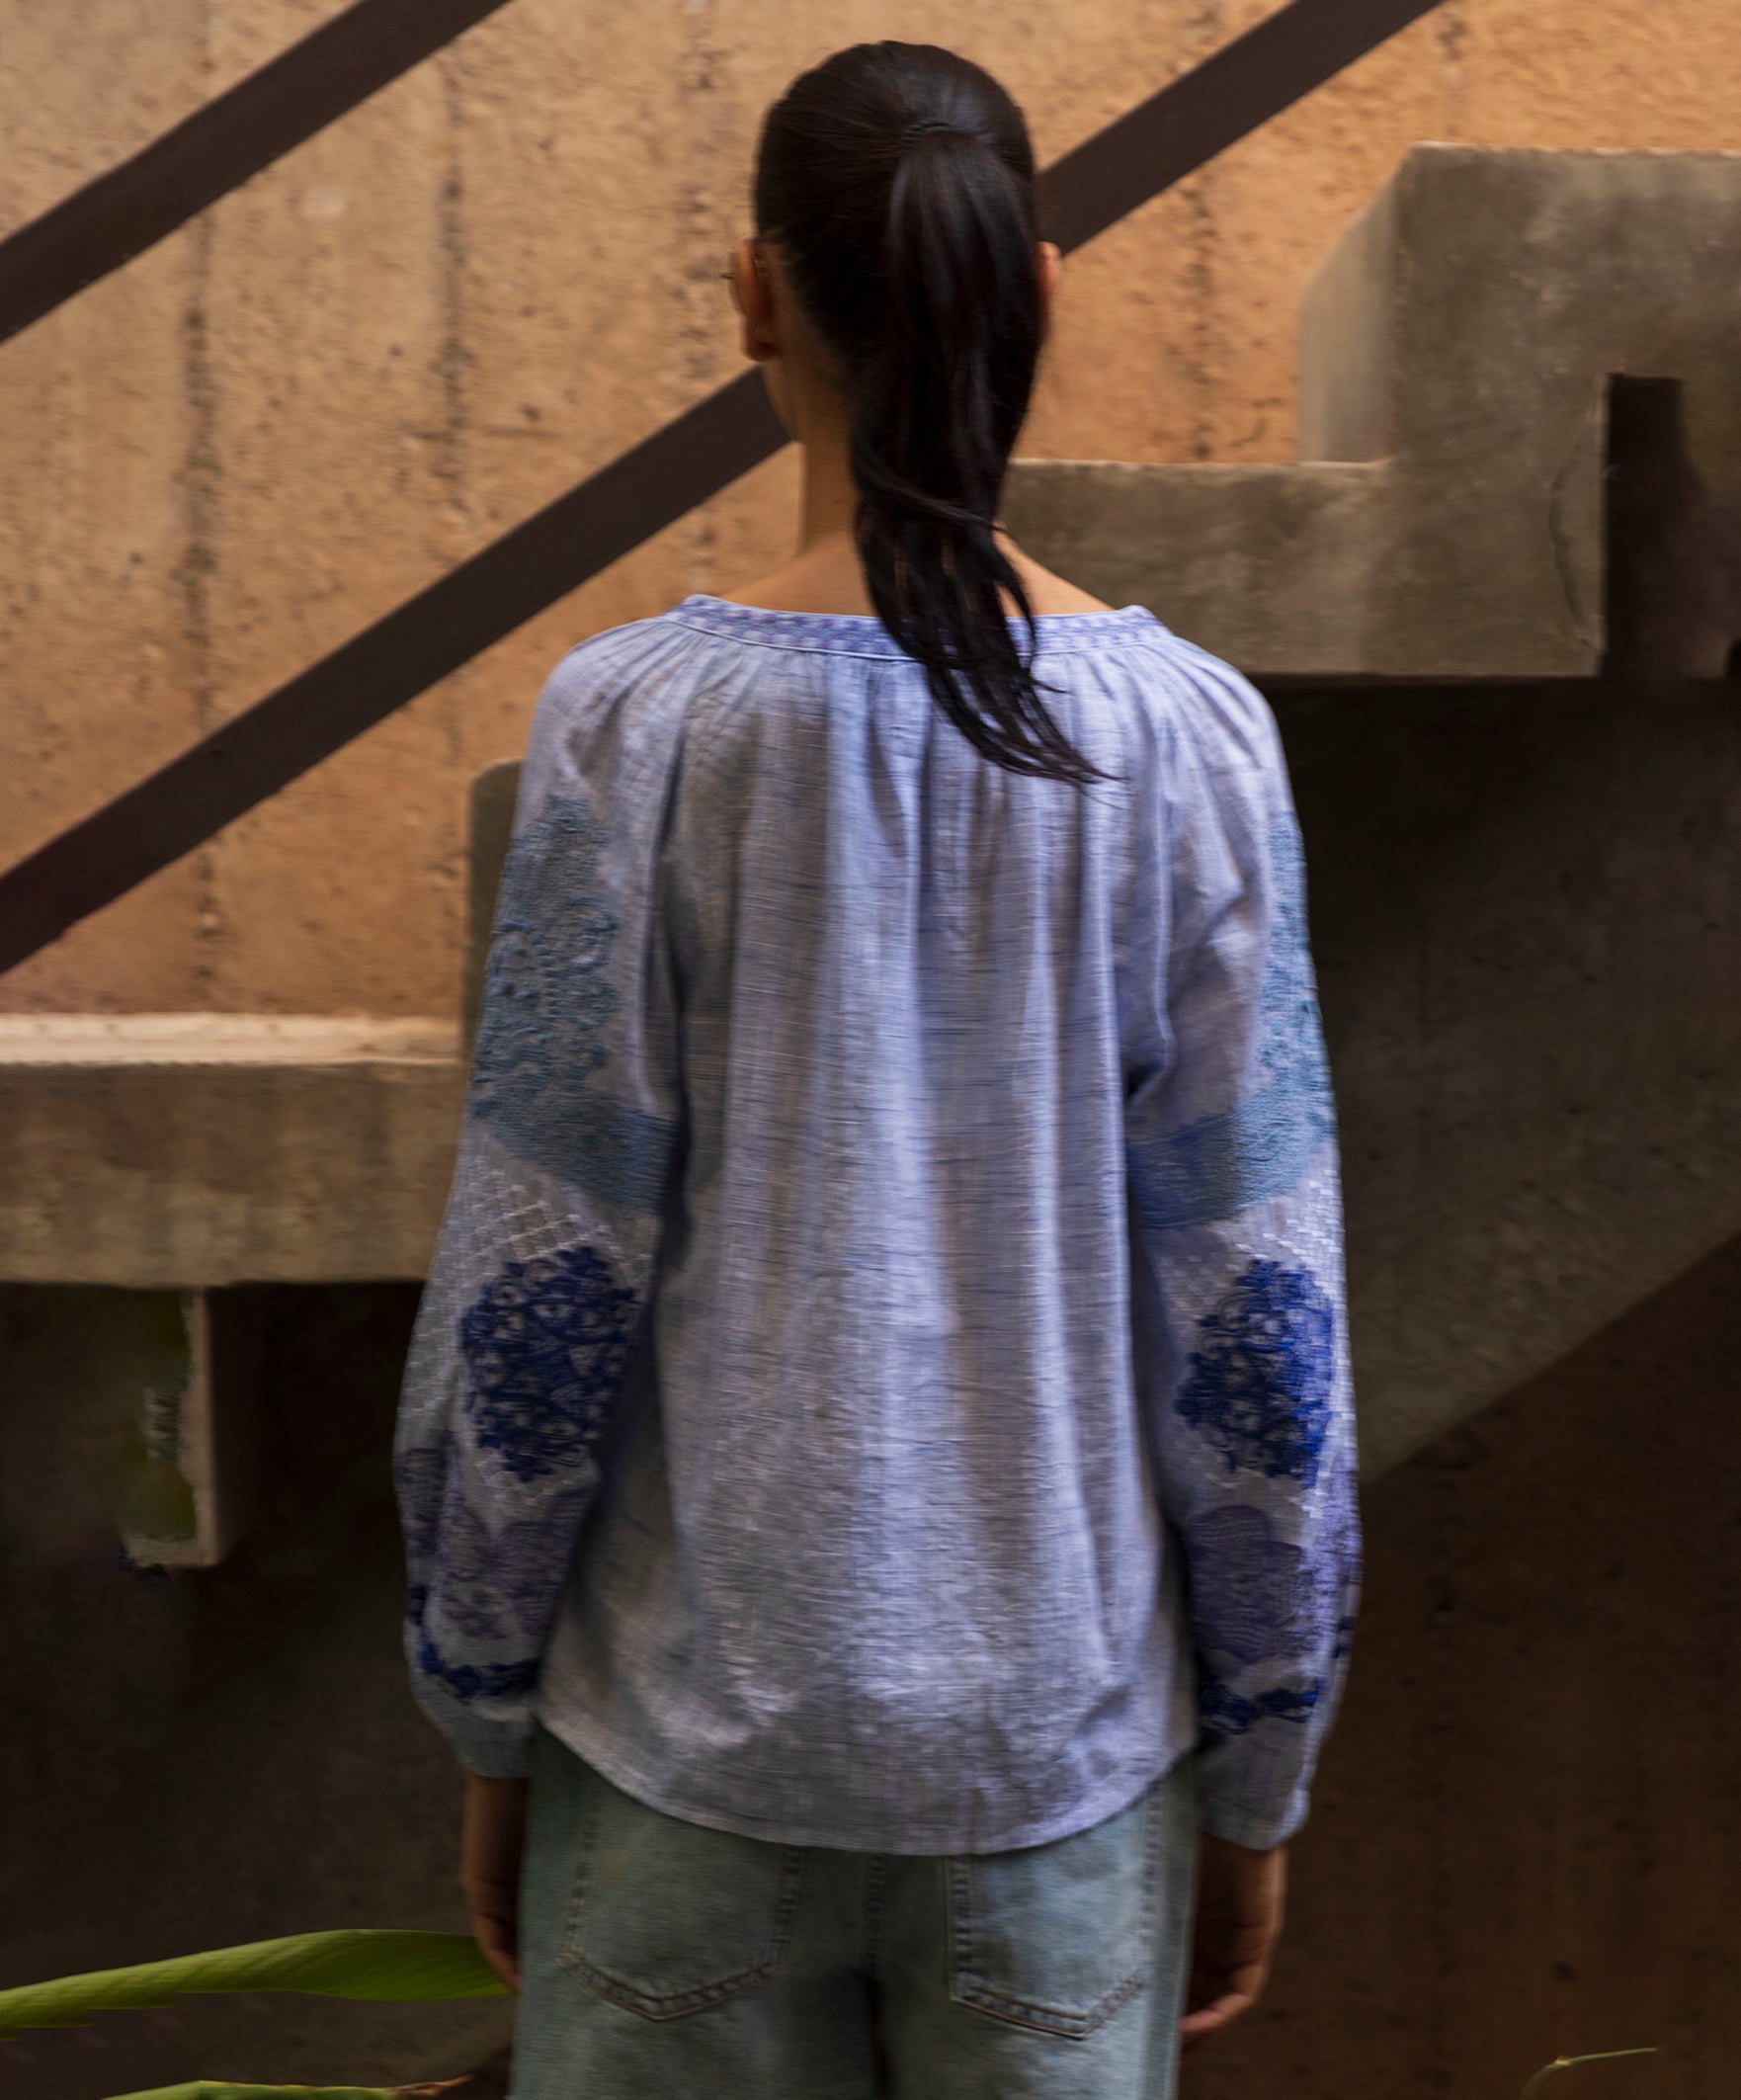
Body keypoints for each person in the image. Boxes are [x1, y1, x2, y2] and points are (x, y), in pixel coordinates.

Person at [394, 39, 1361, 2100]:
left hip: (678, 1753)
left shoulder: (635, 730)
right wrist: (1261, 1761)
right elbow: (1256, 1322)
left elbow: (537, 1291)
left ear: (754, 294)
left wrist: (488, 1707)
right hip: (1059, 1770)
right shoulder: (1188, 740)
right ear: (1041, 282)